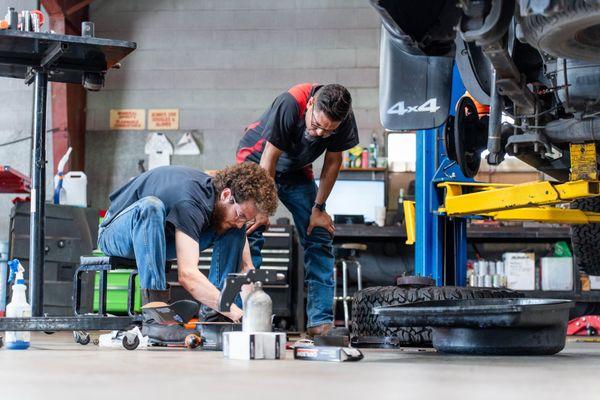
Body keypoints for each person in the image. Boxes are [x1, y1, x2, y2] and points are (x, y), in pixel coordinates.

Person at [236, 83, 359, 335]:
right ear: (311, 104)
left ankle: (320, 323)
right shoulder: (290, 103)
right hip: (256, 161)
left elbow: (333, 162)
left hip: (295, 170)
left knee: (320, 234)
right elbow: (269, 157)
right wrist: (262, 207)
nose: (318, 134)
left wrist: (319, 208)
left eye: (328, 131)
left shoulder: (342, 119)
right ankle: (243, 316)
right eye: (315, 125)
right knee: (251, 231)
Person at [97, 163, 278, 323]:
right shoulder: (191, 202)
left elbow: (246, 270)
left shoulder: (223, 204)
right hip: (118, 233)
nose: (241, 223)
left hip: (160, 238)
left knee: (234, 229)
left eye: (246, 220)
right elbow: (187, 275)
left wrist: (251, 314)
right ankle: (155, 312)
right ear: (226, 194)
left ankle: (216, 315)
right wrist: (238, 314)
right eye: (240, 215)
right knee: (151, 207)